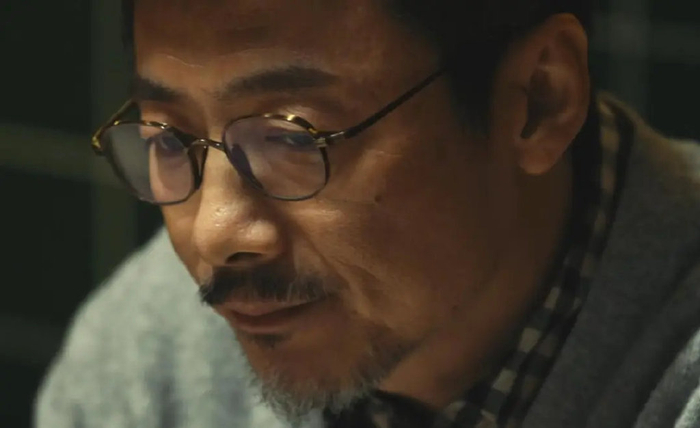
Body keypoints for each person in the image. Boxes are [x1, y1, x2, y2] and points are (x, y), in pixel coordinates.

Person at [36, 0, 700, 427]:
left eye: (293, 138)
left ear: (538, 101)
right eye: (166, 139)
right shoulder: (153, 352)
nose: (214, 233)